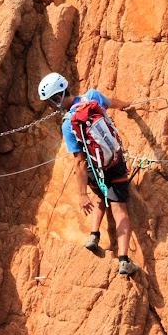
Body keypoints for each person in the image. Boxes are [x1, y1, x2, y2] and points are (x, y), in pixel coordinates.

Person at [40, 72, 139, 277]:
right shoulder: (92, 97)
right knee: (119, 209)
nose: (50, 107)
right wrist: (127, 105)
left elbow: (80, 161)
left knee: (100, 196)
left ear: (57, 98)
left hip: (96, 170)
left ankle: (96, 237)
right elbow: (113, 103)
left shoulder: (68, 124)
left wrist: (82, 193)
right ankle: (123, 259)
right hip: (115, 164)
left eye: (50, 102)